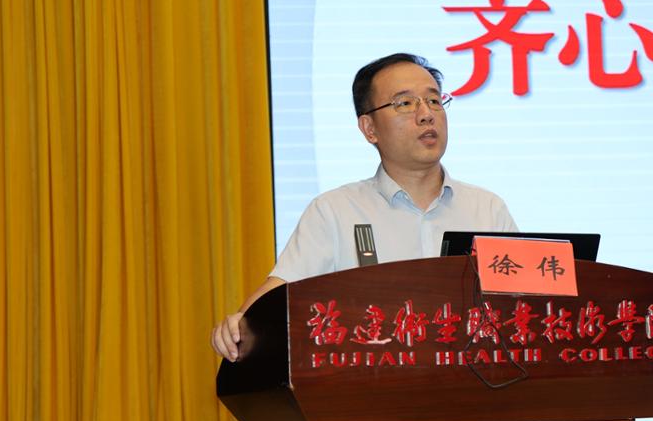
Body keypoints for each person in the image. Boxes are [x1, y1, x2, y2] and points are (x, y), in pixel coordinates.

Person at [210, 53, 517, 361]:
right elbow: (278, 292)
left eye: (434, 101)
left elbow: (526, 302)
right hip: (373, 382)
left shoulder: (487, 210)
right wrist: (238, 325)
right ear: (369, 128)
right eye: (405, 103)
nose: (426, 114)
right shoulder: (334, 212)